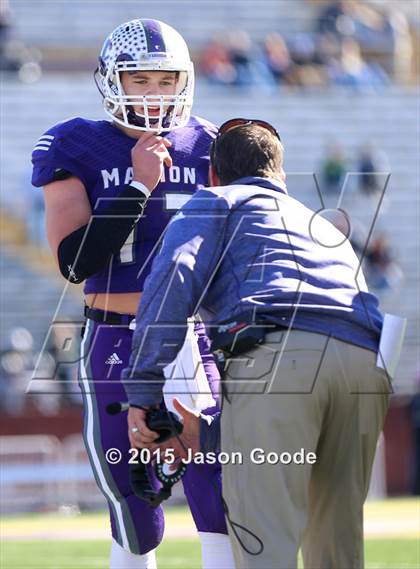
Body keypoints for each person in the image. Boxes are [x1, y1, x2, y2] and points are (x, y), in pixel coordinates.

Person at [122, 118, 391, 568]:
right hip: (367, 362)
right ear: (280, 177)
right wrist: (206, 432)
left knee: (265, 541)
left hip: (275, 351)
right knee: (337, 548)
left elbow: (173, 280)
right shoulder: (323, 226)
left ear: (212, 175)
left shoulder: (215, 200)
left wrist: (144, 391)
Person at [31, 18, 234, 569]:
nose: (153, 94)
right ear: (111, 81)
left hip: (192, 336)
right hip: (117, 333)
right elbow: (75, 262)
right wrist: (141, 185)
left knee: (218, 484)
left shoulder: (211, 144)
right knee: (135, 491)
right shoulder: (77, 144)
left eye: (165, 81)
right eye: (140, 80)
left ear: (184, 82)